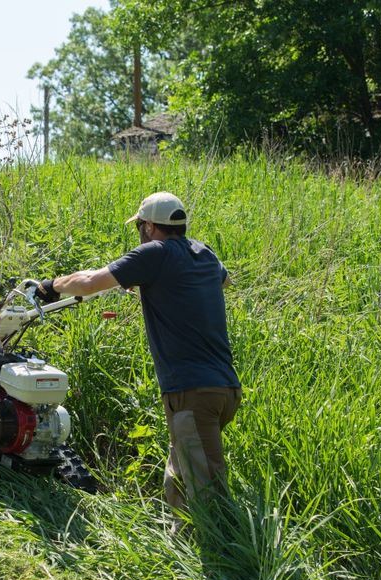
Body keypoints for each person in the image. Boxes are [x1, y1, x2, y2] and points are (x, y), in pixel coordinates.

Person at [35, 192, 241, 516]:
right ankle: (180, 550)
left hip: (192, 393)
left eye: (139, 227)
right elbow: (226, 281)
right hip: (224, 388)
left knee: (208, 496)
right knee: (180, 480)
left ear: (148, 226)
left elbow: (89, 282)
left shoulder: (154, 253)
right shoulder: (205, 254)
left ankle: (226, 559)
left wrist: (50, 286)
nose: (140, 234)